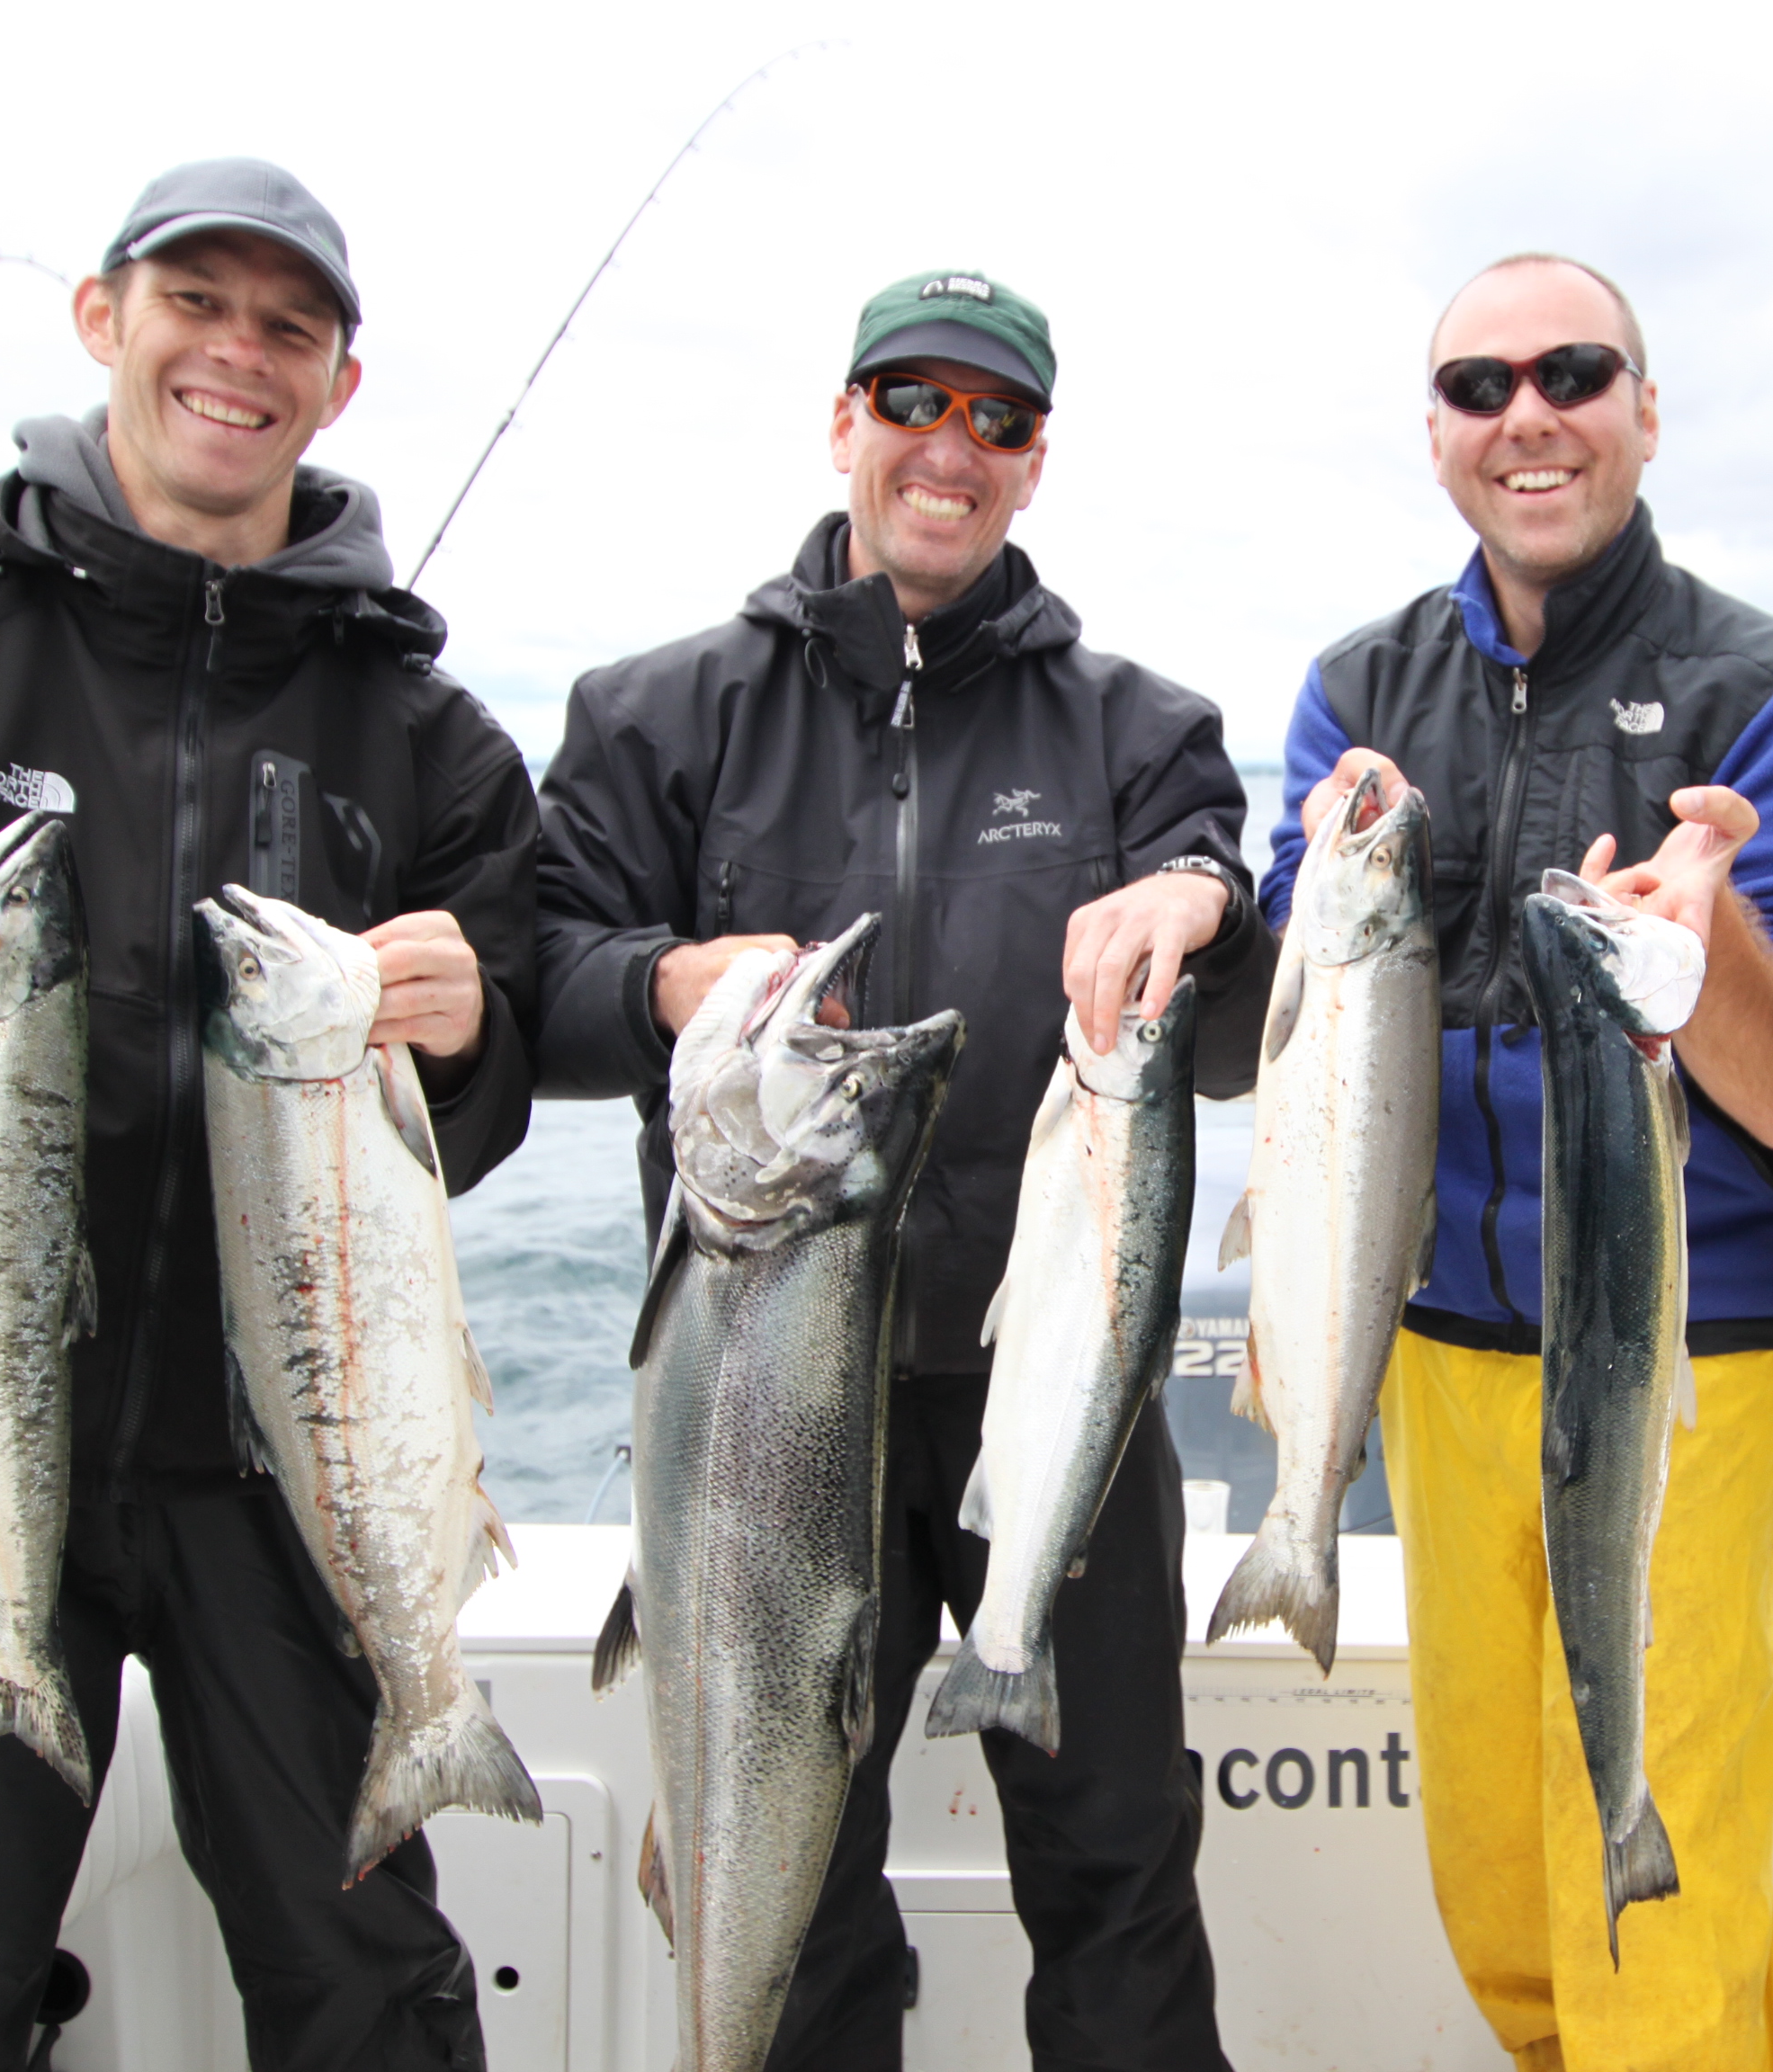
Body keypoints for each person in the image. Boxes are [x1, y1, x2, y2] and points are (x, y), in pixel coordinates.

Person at [0, 159, 541, 2067]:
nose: (236, 354)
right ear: (103, 317)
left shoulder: (431, 740)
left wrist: (474, 1028)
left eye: (288, 326)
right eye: (196, 301)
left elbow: (482, 1110)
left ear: (339, 380)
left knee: (376, 2011)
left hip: (292, 1466)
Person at [534, 267, 1263, 2070]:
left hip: (1057, 1401)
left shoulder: (1142, 728)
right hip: (765, 1417)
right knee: (796, 1877)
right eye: (914, 403)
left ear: (1034, 462)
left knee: (1117, 1864)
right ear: (843, 422)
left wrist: (1207, 902)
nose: (952, 448)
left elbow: (1243, 1031)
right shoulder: (657, 717)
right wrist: (665, 982)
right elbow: (531, 992)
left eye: (996, 418)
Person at [1266, 252, 1773, 2071]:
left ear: (1645, 407)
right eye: (1478, 387)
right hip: (1438, 1350)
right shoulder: (1359, 687)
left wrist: (1704, 958)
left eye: (1573, 372)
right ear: (1440, 432)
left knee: (1653, 1906)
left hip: (1686, 1358)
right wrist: (1272, 883)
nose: (1525, 415)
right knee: (1504, 1895)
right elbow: (1307, 1020)